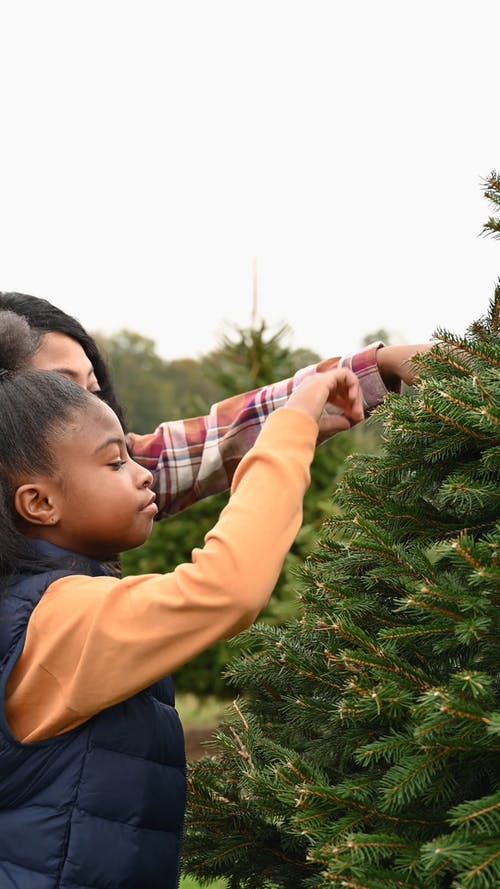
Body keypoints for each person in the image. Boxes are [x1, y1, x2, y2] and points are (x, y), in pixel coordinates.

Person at [0, 310, 364, 888]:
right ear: (38, 503)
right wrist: (288, 428)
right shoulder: (58, 620)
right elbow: (227, 588)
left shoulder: (44, 604)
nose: (143, 474)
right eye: (116, 461)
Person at [0, 291, 432, 519]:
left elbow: (209, 442)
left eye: (93, 391)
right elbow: (226, 588)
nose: (88, 411)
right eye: (60, 390)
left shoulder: (114, 481)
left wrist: (378, 366)